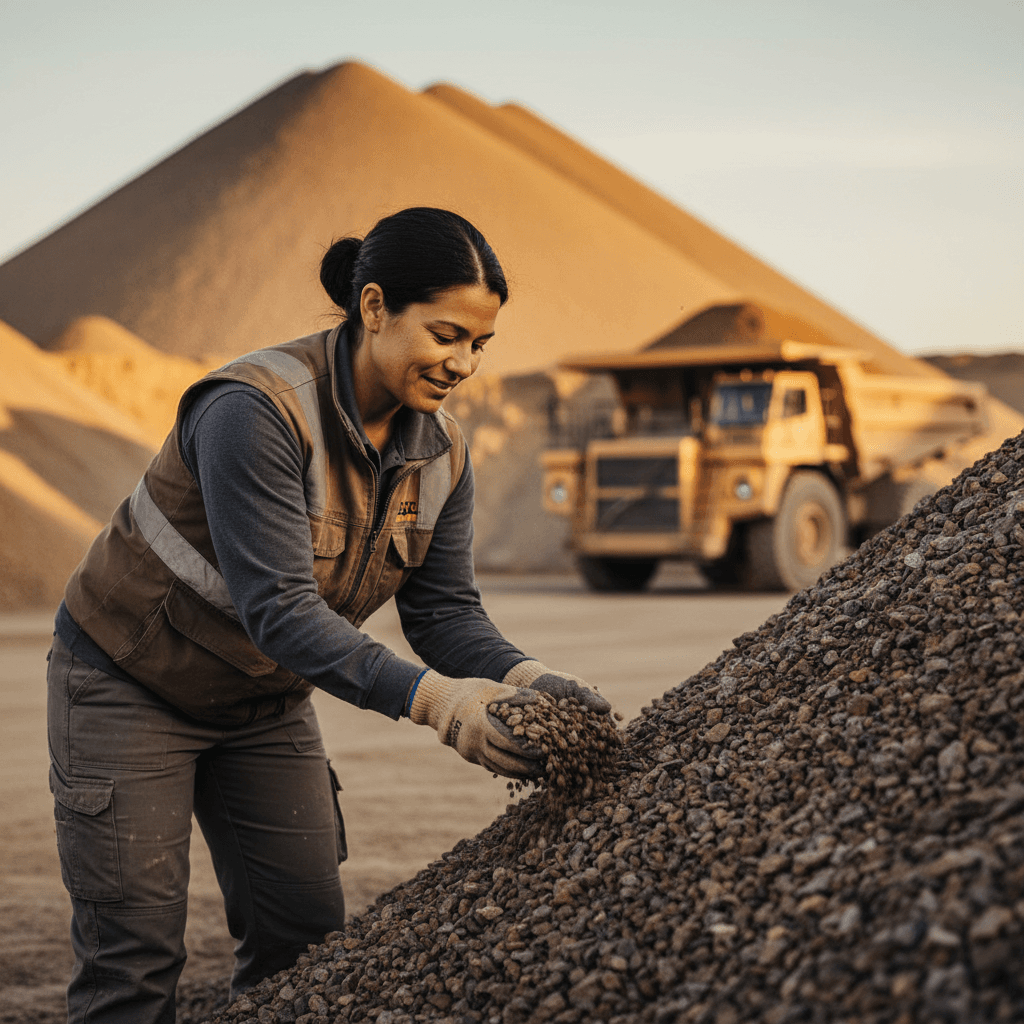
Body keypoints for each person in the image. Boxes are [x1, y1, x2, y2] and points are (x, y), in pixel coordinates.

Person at [46, 207, 609, 1024]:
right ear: (374, 307)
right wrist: (446, 706)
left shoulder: (443, 454)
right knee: (133, 959)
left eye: (479, 346)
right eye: (445, 334)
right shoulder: (257, 411)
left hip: (262, 702)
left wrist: (531, 679)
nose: (462, 364)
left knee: (305, 943)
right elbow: (279, 608)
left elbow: (446, 612)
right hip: (131, 682)